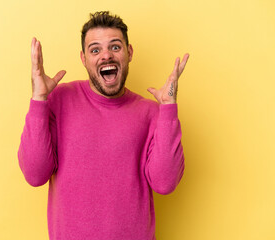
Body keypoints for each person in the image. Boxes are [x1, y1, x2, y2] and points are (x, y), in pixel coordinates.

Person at [18, 11, 189, 240]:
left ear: (129, 53)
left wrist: (168, 108)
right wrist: (39, 98)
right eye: (95, 50)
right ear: (84, 58)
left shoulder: (151, 113)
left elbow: (165, 183)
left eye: (115, 47)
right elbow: (35, 174)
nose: (106, 56)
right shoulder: (60, 100)